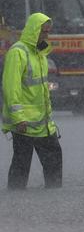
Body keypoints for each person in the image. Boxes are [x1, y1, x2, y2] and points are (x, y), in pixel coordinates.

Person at [3, 12, 62, 189]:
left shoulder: (40, 54)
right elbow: (10, 87)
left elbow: (42, 90)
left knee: (54, 160)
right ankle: (16, 200)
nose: (46, 35)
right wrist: (18, 117)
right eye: (44, 32)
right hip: (24, 123)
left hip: (43, 124)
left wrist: (48, 116)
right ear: (34, 30)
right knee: (21, 165)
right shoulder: (18, 52)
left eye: (48, 32)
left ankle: (54, 197)